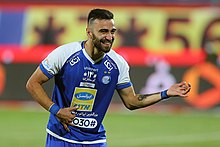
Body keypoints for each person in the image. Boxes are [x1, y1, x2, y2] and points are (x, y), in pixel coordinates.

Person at [26, 8, 191, 147]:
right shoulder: (65, 54)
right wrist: (56, 110)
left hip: (95, 139)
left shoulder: (118, 64)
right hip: (61, 136)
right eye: (103, 31)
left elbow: (132, 101)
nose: (110, 37)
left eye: (112, 32)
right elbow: (33, 83)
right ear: (89, 33)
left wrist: (165, 93)